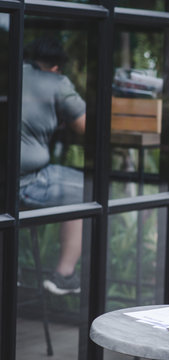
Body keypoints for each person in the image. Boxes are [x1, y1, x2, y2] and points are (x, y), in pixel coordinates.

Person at [19, 36, 86, 295]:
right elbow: (87, 127)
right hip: (27, 183)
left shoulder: (10, 74)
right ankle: (65, 275)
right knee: (86, 189)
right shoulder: (56, 82)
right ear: (56, 66)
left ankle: (11, 270)